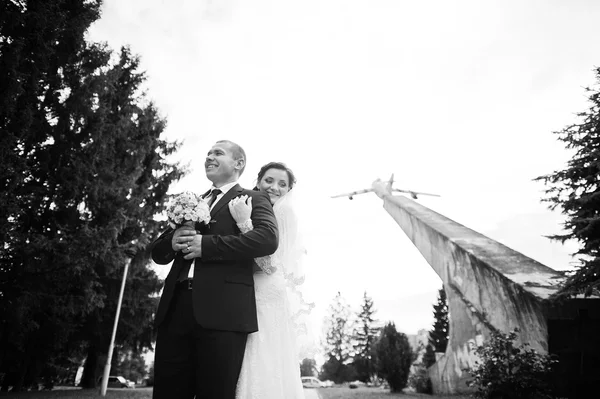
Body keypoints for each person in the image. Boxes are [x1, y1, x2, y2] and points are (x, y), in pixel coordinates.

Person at [150, 140, 279, 399]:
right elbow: (158, 253)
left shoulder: (254, 198)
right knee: (167, 392)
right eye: (208, 153)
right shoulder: (192, 201)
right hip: (175, 309)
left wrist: (207, 246)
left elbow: (267, 239)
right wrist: (171, 242)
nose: (209, 157)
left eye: (218, 153)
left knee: (215, 393)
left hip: (224, 314)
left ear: (238, 164)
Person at [228, 162, 313, 399]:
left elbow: (268, 264)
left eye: (282, 184)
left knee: (263, 355)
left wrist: (245, 224)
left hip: (265, 290)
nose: (274, 187)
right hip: (246, 287)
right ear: (258, 181)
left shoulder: (285, 214)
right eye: (269, 180)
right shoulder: (250, 204)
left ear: (289, 190)